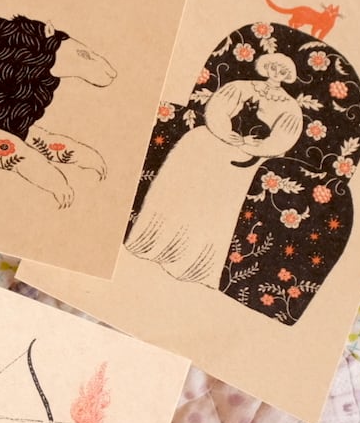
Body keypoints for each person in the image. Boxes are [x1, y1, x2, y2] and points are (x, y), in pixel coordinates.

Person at [124, 52, 304, 287]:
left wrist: (252, 145)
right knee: (192, 150)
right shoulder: (241, 86)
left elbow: (282, 139)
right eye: (273, 67)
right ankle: (152, 239)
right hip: (217, 138)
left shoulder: (290, 107)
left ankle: (193, 262)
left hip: (248, 154)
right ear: (265, 67)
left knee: (219, 190)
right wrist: (225, 132)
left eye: (282, 71)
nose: (276, 73)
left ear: (288, 76)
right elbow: (217, 110)